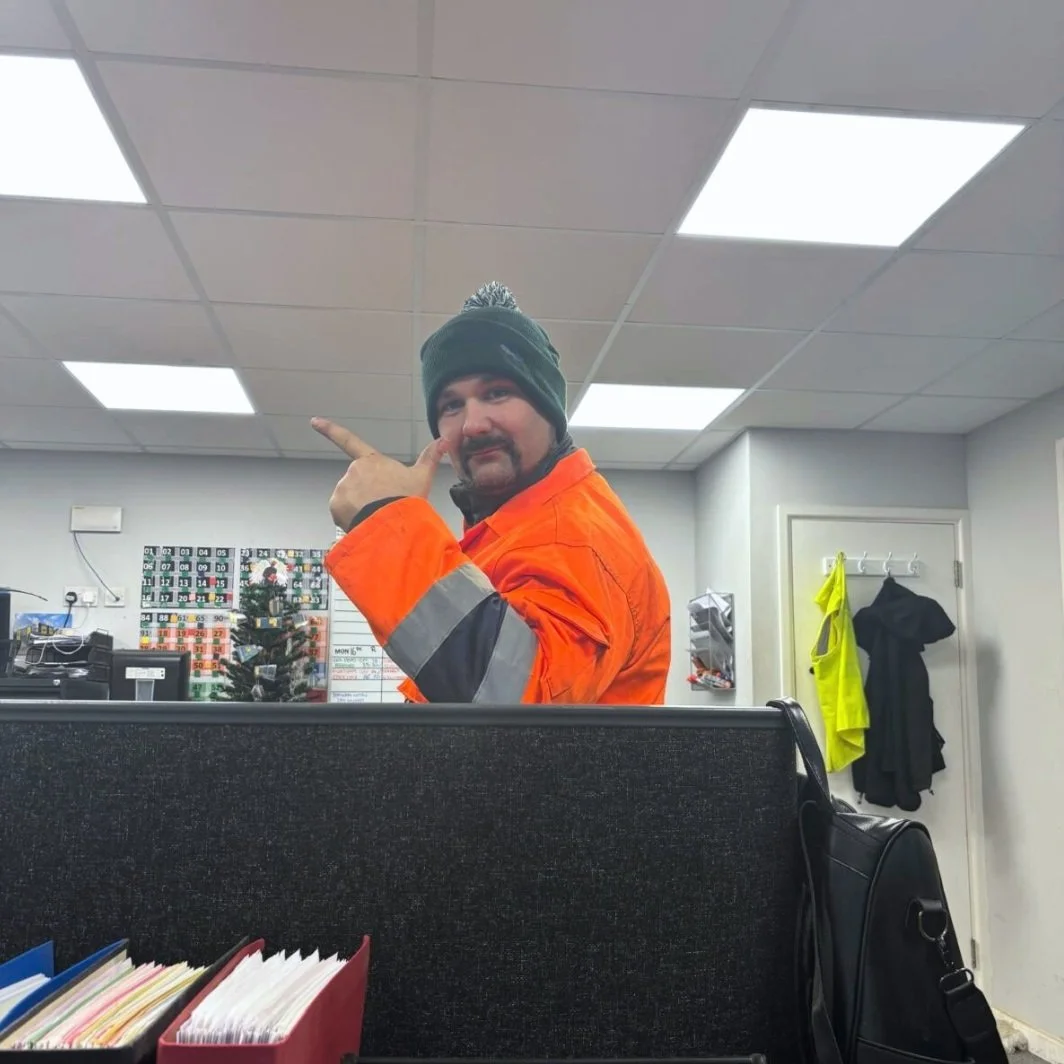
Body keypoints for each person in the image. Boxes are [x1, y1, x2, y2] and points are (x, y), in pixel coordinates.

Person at [312, 282, 671, 705]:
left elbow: (513, 713)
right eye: (451, 405)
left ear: (550, 411)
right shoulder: (514, 530)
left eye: (497, 393)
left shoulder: (572, 534)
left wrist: (387, 525)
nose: (473, 424)